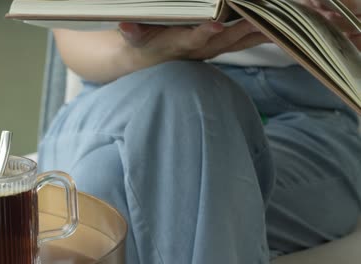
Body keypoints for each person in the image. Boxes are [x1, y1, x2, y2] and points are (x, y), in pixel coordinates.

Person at [37, 0, 361, 263]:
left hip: (302, 120)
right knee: (182, 97)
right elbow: (73, 35)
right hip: (120, 94)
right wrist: (147, 54)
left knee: (108, 180)